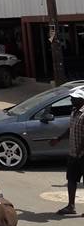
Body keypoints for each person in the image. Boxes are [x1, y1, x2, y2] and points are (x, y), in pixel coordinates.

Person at [50, 86, 84, 216]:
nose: (71, 100)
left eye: (74, 99)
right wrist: (58, 138)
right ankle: (71, 206)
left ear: (81, 99)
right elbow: (71, 129)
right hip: (73, 153)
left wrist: (79, 152)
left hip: (81, 155)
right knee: (71, 179)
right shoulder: (74, 111)